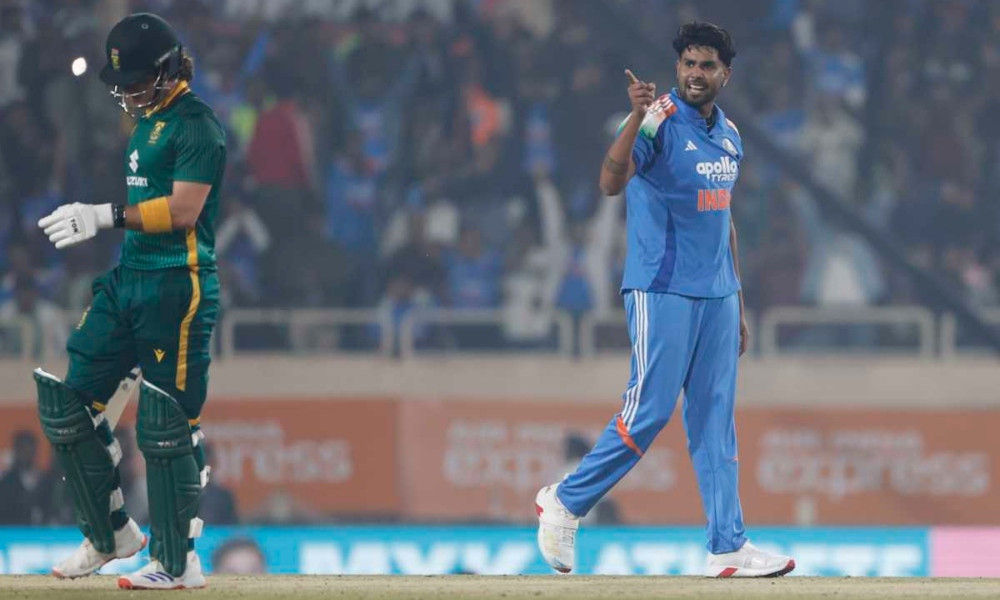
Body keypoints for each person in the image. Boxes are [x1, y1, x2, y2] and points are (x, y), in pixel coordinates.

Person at [534, 22, 796, 578]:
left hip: (719, 296)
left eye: (707, 66)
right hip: (662, 287)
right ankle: (565, 501)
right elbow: (610, 183)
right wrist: (634, 116)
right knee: (649, 411)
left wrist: (737, 299)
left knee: (715, 423)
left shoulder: (730, 134)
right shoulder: (656, 120)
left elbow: (723, 218)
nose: (695, 74)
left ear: (726, 74)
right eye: (688, 64)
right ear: (678, 68)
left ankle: (728, 545)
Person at [33, 12, 225, 590]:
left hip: (178, 283)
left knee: (166, 423)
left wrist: (103, 215)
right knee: (68, 405)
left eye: (139, 80)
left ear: (168, 70)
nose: (129, 92)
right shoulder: (149, 122)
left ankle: (177, 562)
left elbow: (185, 210)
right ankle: (109, 534)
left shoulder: (197, 125)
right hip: (130, 277)